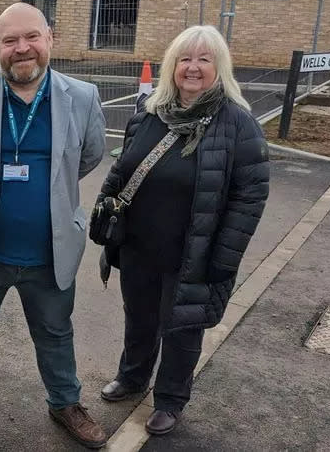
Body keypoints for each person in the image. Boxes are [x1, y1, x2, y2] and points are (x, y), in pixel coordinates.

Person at [0, 3, 107, 449]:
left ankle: (65, 401)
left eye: (31, 37)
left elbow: (88, 157)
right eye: (9, 41)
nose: (21, 48)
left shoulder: (82, 97)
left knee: (55, 332)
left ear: (50, 39)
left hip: (50, 251)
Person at [95, 25, 269, 435]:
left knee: (182, 328)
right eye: (185, 59)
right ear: (172, 66)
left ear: (219, 68)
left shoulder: (238, 125)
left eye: (204, 60)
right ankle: (133, 376)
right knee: (138, 317)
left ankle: (171, 399)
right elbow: (122, 170)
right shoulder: (149, 114)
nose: (193, 68)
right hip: (139, 246)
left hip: (194, 252)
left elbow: (250, 199)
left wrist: (224, 257)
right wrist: (105, 212)